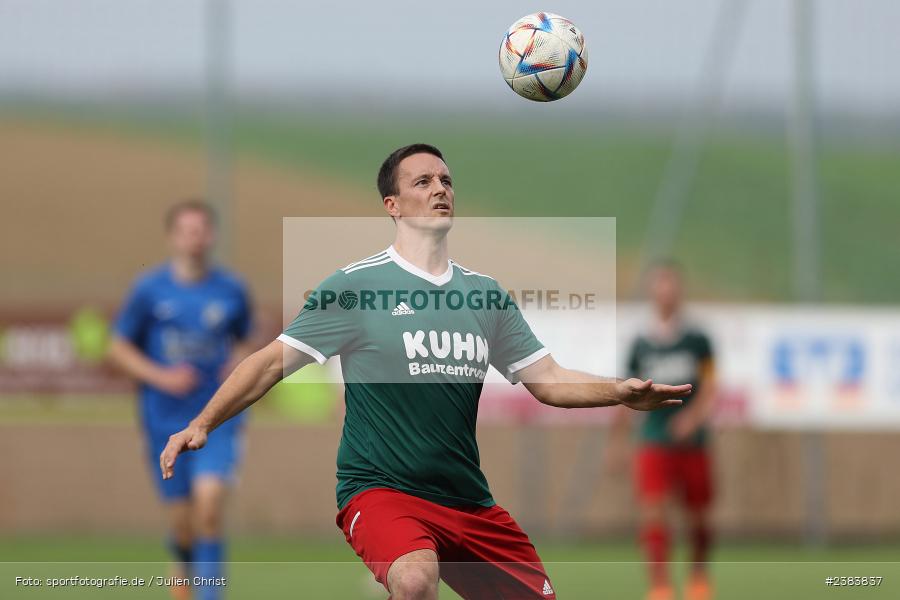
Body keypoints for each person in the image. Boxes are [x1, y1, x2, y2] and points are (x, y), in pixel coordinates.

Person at [160, 144, 691, 600]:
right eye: (423, 181)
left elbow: (547, 379)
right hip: (381, 491)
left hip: (467, 501)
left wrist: (618, 392)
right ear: (393, 205)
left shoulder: (484, 295)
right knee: (414, 580)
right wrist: (203, 421)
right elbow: (270, 363)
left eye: (446, 180)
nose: (440, 188)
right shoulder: (355, 287)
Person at [109, 200, 254, 600]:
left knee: (209, 507)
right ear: (173, 236)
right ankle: (182, 579)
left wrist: (236, 364)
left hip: (215, 418)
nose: (195, 237)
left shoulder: (231, 290)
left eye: (202, 229)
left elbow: (247, 343)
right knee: (183, 524)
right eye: (186, 230)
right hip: (162, 417)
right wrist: (162, 376)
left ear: (213, 235)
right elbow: (118, 348)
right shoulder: (149, 290)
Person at [609, 261, 717, 600]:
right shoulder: (642, 343)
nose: (666, 292)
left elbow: (712, 386)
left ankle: (698, 578)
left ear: (679, 291)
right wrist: (617, 442)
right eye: (660, 285)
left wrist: (693, 419)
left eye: (671, 284)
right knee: (654, 510)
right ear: (653, 292)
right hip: (653, 439)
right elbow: (627, 393)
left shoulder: (698, 339)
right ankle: (660, 586)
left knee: (697, 514)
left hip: (692, 441)